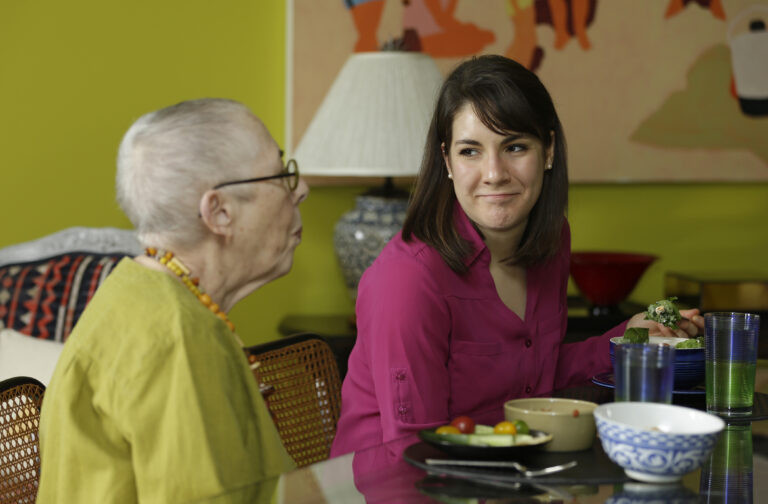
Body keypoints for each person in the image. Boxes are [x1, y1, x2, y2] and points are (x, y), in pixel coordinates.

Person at [330, 55, 704, 456]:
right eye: (470, 151)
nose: (494, 173)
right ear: (447, 161)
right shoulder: (407, 281)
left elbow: (531, 374)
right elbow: (417, 453)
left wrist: (629, 339)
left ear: (548, 151)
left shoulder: (551, 241)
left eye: (514, 147)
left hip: (506, 475)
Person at [37, 98, 309, 502]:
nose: (301, 189)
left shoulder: (135, 291)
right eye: (280, 171)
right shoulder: (178, 338)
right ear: (219, 213)